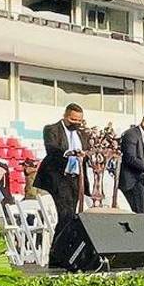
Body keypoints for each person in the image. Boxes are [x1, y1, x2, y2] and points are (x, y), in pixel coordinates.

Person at [34, 103, 89, 257]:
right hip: (57, 177)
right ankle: (57, 253)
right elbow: (51, 150)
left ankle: (65, 251)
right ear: (65, 116)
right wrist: (69, 153)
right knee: (65, 215)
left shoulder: (83, 134)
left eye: (79, 120)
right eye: (73, 119)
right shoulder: (51, 129)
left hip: (76, 178)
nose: (76, 123)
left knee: (72, 216)